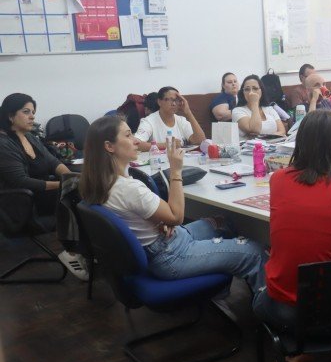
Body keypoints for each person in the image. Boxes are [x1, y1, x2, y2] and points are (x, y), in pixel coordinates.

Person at [80, 115, 266, 291]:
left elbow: (139, 217)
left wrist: (161, 220)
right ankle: (268, 312)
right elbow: (176, 216)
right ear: (109, 147)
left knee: (223, 221)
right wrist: (176, 170)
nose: (136, 140)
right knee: (255, 252)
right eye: (128, 135)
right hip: (170, 255)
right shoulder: (128, 188)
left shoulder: (103, 182)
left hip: (165, 243)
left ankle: (216, 290)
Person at [252, 109, 331, 331]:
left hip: (285, 313)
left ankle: (299, 348)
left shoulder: (278, 180)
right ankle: (311, 349)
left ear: (299, 142)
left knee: (257, 297)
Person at [0, 93, 89, 281]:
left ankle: (87, 249)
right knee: (77, 195)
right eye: (26, 112)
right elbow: (21, 182)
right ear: (10, 116)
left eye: (33, 111)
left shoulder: (30, 137)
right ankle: (72, 252)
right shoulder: (3, 144)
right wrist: (66, 184)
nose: (32, 116)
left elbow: (53, 162)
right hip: (21, 202)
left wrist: (73, 177)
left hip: (42, 195)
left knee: (83, 190)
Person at [134, 86, 206, 151]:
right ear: (159, 102)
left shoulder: (181, 120)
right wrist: (167, 145)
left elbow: (200, 141)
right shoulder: (148, 121)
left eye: (177, 100)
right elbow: (136, 144)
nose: (174, 104)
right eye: (170, 100)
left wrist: (188, 112)